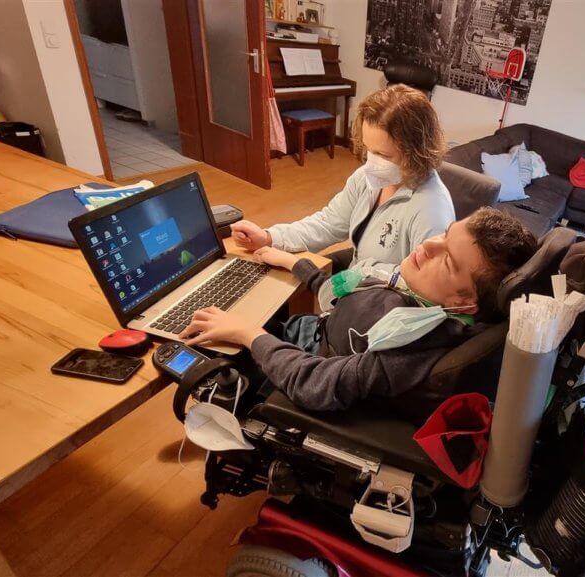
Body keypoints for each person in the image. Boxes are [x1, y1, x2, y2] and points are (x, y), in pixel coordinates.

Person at [179, 208, 537, 411]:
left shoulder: (409, 343)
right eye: (444, 233)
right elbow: (344, 298)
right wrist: (293, 262)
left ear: (463, 303)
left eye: (448, 261)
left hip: (301, 365)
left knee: (197, 343)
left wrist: (245, 333)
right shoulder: (422, 304)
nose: (428, 245)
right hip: (309, 333)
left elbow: (314, 383)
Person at [230, 84, 454, 275]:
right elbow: (328, 223)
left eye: (384, 155)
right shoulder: (369, 178)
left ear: (417, 151)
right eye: (369, 150)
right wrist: (270, 236)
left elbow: (425, 289)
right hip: (357, 287)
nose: (372, 162)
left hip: (381, 308)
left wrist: (342, 285)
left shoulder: (431, 211)